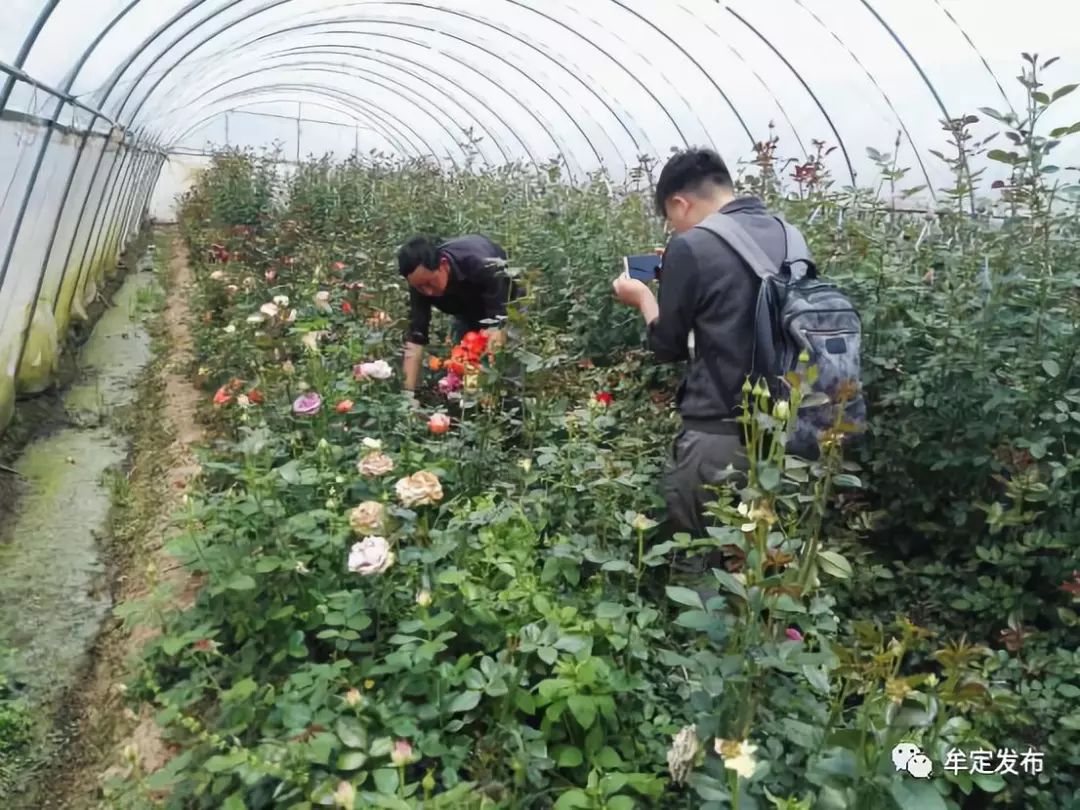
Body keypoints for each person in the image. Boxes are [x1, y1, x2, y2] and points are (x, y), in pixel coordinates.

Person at [612, 147, 802, 548]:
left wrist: (644, 298)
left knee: (698, 552)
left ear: (680, 203)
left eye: (671, 219)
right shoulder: (789, 234)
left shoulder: (693, 246)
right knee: (757, 554)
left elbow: (668, 346)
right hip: (786, 429)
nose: (675, 232)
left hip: (718, 432)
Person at [397, 234, 522, 398]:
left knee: (507, 369)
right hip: (466, 312)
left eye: (429, 283)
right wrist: (407, 397)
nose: (427, 292)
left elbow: (497, 326)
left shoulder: (482, 264)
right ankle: (470, 406)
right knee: (463, 367)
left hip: (506, 306)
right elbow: (416, 338)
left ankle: (509, 405)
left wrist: (490, 382)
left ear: (443, 265)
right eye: (420, 287)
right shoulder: (420, 283)